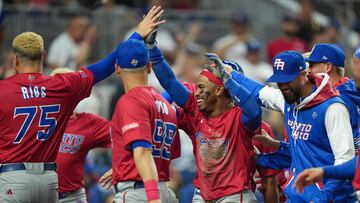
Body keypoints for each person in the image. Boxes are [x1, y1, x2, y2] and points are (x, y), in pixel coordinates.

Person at [0, 6, 163, 203]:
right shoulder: (62, 85)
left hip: (13, 176)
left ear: (15, 60)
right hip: (49, 181)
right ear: (43, 56)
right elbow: (108, 64)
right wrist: (136, 35)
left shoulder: (3, 90)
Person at [149, 19, 263, 201]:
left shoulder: (240, 118)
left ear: (220, 89)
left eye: (203, 88)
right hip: (202, 194)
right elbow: (171, 83)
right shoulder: (197, 111)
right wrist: (152, 50)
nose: (197, 92)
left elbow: (255, 112)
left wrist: (229, 80)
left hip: (234, 196)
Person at [229, 50, 356, 202]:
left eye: (288, 79)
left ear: (304, 74)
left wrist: (321, 199)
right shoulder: (290, 100)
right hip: (298, 196)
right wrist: (230, 75)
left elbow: (345, 164)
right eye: (279, 80)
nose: (283, 86)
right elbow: (260, 92)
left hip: (331, 199)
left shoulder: (333, 108)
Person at [110, 9, 182, 203]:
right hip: (164, 190)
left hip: (142, 193)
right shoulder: (165, 104)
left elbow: (142, 151)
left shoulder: (130, 101)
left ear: (117, 69)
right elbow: (165, 156)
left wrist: (152, 198)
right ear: (149, 67)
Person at [290, 46, 360, 200]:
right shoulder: (350, 90)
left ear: (328, 67)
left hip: (341, 186)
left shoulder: (336, 102)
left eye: (312, 65)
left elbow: (340, 155)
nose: (309, 71)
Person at [48, 68, 112, 203]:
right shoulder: (34, 119)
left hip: (72, 197)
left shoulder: (88, 123)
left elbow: (127, 136)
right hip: (40, 195)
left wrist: (119, 167)